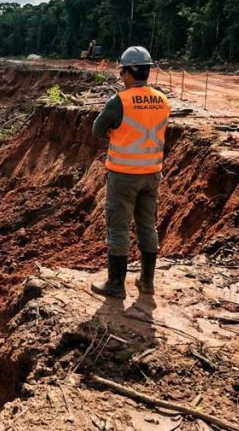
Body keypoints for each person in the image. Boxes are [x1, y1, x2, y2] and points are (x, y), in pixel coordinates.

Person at [90, 46, 170, 298]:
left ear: (127, 72)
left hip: (124, 175)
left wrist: (114, 131)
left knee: (118, 227)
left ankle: (116, 284)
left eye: (121, 71)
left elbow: (97, 129)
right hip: (152, 174)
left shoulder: (120, 101)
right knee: (147, 225)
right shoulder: (162, 99)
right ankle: (147, 282)